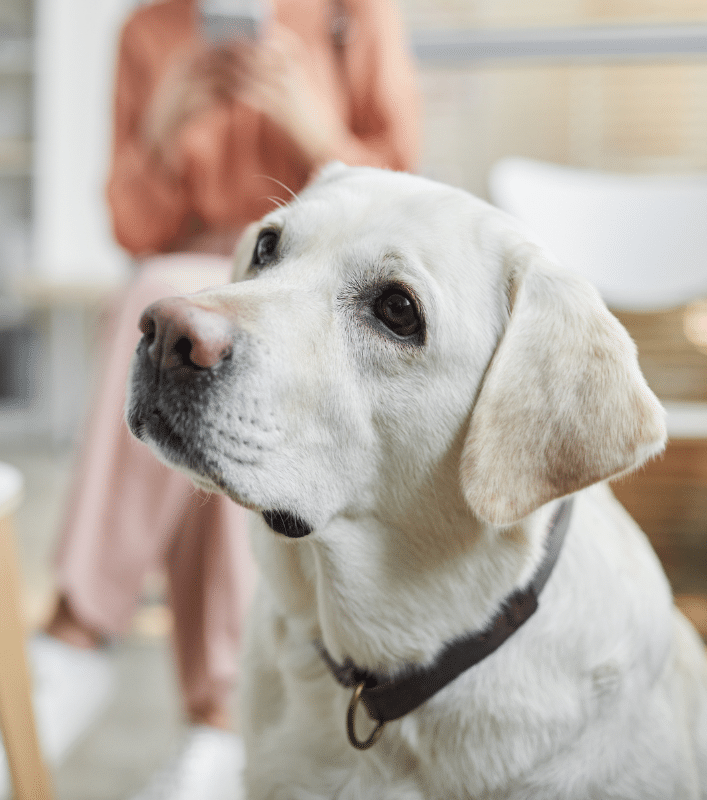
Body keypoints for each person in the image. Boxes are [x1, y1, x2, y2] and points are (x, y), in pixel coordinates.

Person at [5, 2, 420, 798]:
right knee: (179, 322)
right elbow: (133, 227)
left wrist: (312, 126)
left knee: (186, 323)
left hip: (312, 299)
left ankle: (79, 634)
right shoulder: (147, 33)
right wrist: (164, 127)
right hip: (192, 278)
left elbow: (403, 205)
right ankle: (219, 724)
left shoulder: (351, 16)